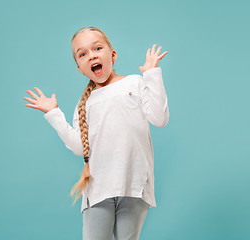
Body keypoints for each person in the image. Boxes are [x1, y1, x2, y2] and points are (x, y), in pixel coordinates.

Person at [24, 26, 169, 240]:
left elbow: (159, 118)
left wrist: (151, 74)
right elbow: (80, 147)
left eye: (97, 48)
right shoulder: (86, 104)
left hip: (135, 186)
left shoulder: (134, 83)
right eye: (83, 54)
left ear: (112, 55)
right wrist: (54, 113)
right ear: (80, 68)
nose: (91, 55)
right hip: (100, 187)